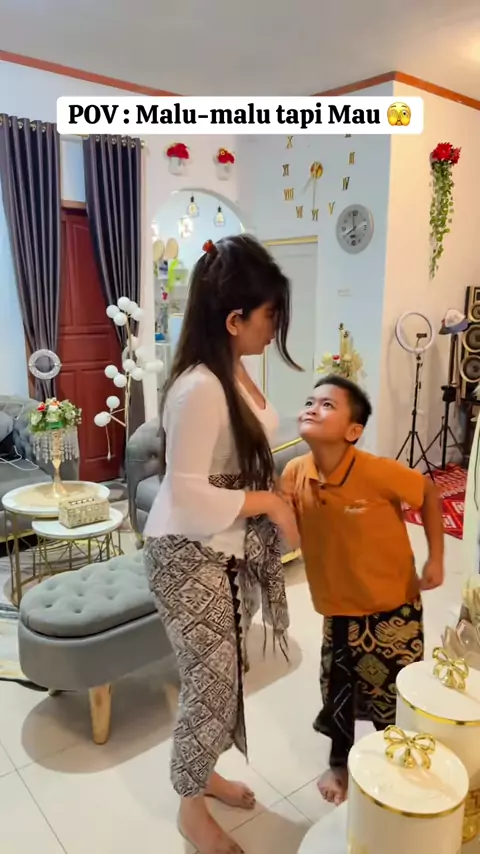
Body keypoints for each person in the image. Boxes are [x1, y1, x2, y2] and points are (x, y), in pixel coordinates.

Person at [143, 235, 300, 854]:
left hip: (226, 549)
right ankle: (191, 807)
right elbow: (186, 494)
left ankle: (204, 774)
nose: (274, 328)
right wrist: (270, 503)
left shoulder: (231, 368)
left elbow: (240, 456)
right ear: (235, 320)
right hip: (187, 554)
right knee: (210, 686)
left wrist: (281, 492)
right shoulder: (199, 388)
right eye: (269, 316)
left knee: (225, 678)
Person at [280, 374, 444, 806]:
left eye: (328, 405)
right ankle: (340, 763)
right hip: (337, 607)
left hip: (392, 606)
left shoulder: (376, 471)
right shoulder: (295, 472)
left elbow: (428, 493)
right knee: (337, 687)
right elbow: (283, 523)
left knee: (395, 690)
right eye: (310, 401)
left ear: (353, 431)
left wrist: (436, 558)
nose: (313, 407)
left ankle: (399, 759)